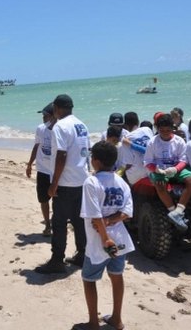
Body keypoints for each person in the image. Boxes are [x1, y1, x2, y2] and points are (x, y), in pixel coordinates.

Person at [78, 141, 134, 330]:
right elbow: (126, 213)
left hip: (99, 242)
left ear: (96, 161)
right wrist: (111, 221)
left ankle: (94, 323)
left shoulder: (91, 182)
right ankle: (116, 319)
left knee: (89, 279)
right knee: (116, 276)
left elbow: (94, 215)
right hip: (120, 239)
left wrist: (105, 238)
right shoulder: (122, 183)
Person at [35, 94, 89, 274]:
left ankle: (57, 260)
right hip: (81, 180)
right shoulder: (82, 125)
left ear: (57, 109)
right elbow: (85, 153)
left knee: (59, 223)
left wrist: (54, 183)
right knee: (79, 221)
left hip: (65, 182)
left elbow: (61, 155)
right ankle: (82, 255)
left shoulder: (60, 126)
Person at [144, 113, 191, 231]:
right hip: (160, 170)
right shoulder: (153, 142)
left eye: (168, 130)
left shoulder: (179, 141)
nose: (165, 132)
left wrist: (175, 169)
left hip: (175, 169)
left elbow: (183, 160)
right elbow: (147, 162)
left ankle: (179, 211)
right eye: (162, 130)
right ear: (157, 129)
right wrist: (156, 169)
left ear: (172, 128)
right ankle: (172, 210)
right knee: (160, 183)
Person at [26, 103, 56, 236]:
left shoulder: (60, 130)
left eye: (45, 115)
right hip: (43, 170)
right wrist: (29, 164)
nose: (43, 117)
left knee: (57, 200)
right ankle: (47, 225)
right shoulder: (40, 129)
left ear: (52, 116)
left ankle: (56, 223)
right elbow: (36, 146)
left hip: (56, 171)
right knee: (43, 199)